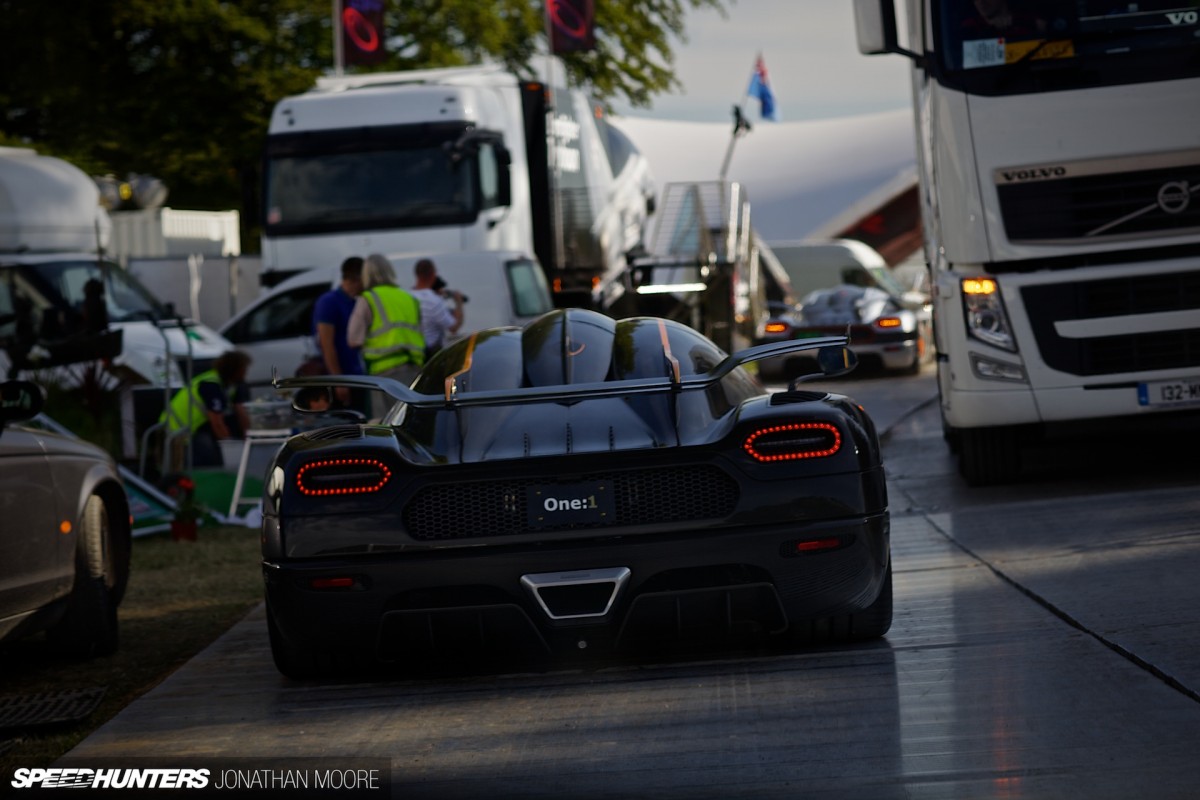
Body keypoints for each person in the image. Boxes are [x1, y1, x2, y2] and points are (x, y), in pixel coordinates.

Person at [347, 253, 425, 418]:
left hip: (385, 375)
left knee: (385, 428)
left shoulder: (368, 298)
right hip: (414, 371)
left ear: (366, 275)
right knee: (411, 424)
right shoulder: (409, 298)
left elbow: (353, 339)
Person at [159, 350, 252, 469]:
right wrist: (232, 447)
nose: (246, 373)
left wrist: (246, 435)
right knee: (207, 455)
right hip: (178, 429)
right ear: (234, 369)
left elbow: (240, 411)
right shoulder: (211, 385)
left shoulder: (227, 384)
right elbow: (217, 423)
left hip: (190, 427)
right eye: (244, 369)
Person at [311, 256, 365, 411]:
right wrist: (338, 380)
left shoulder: (357, 301)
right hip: (343, 378)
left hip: (356, 377)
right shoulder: (329, 302)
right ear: (357, 278)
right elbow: (326, 344)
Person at [411, 258, 463, 359]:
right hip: (432, 356)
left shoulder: (408, 297)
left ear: (416, 274)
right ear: (433, 274)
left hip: (415, 355)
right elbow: (454, 327)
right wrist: (459, 303)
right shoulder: (434, 301)